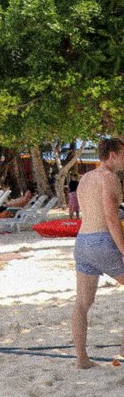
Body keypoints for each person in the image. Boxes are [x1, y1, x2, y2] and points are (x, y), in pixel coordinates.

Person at [73, 136, 124, 368]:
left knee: (82, 302)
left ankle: (82, 359)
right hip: (102, 240)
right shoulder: (109, 178)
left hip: (82, 241)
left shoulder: (85, 178)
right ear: (113, 154)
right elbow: (111, 219)